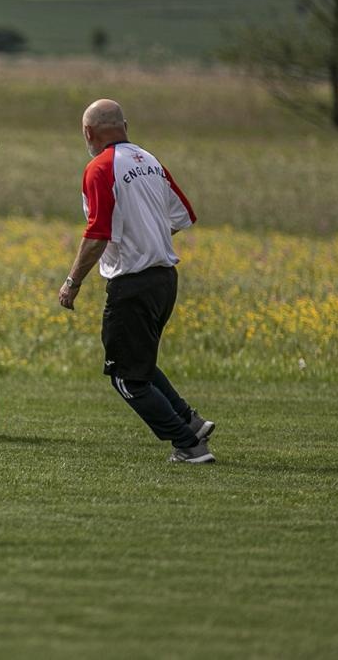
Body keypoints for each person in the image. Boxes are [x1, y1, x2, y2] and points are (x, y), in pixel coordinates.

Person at [56, 98, 216, 464]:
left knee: (126, 377)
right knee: (137, 360)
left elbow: (97, 234)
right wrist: (148, 238)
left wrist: (72, 281)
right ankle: (191, 422)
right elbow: (182, 214)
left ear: (88, 132)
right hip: (165, 280)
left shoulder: (99, 168)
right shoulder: (151, 162)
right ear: (125, 126)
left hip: (134, 284)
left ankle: (188, 445)